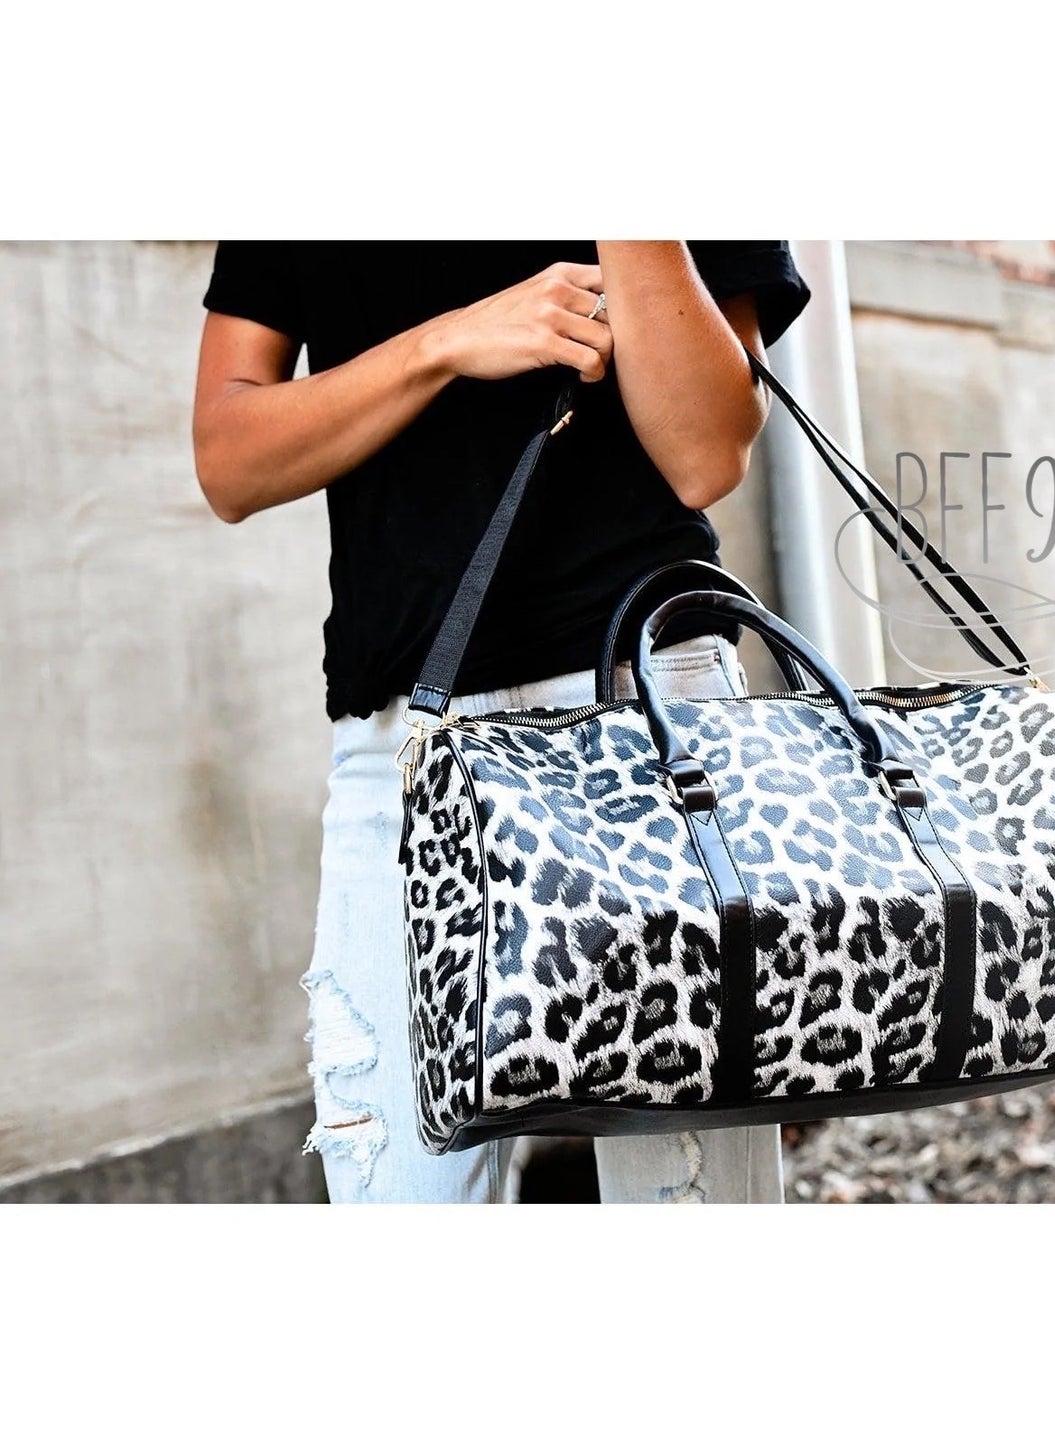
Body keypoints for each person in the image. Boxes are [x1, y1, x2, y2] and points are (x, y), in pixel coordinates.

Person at [192, 241, 811, 1203]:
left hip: (652, 721)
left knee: (688, 1202)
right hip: (408, 745)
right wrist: (446, 343)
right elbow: (229, 462)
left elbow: (707, 455)